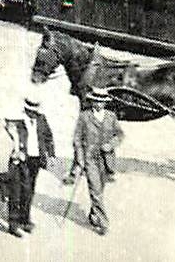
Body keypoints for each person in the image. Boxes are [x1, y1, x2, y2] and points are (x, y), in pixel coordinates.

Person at [70, 87, 121, 237]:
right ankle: (104, 223)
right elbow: (77, 139)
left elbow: (119, 135)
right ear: (92, 101)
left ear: (105, 103)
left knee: (100, 189)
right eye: (96, 101)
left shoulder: (111, 116)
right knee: (95, 190)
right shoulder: (84, 116)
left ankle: (94, 214)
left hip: (107, 160)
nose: (98, 104)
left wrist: (110, 144)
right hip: (90, 158)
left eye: (101, 101)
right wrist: (80, 159)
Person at [4, 94, 56, 235]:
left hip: (36, 160)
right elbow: (9, 137)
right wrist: (15, 151)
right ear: (26, 109)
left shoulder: (41, 119)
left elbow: (48, 137)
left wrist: (51, 155)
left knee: (29, 191)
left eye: (35, 111)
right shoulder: (17, 121)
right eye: (30, 111)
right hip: (21, 159)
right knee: (17, 190)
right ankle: (13, 223)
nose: (33, 113)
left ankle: (25, 219)